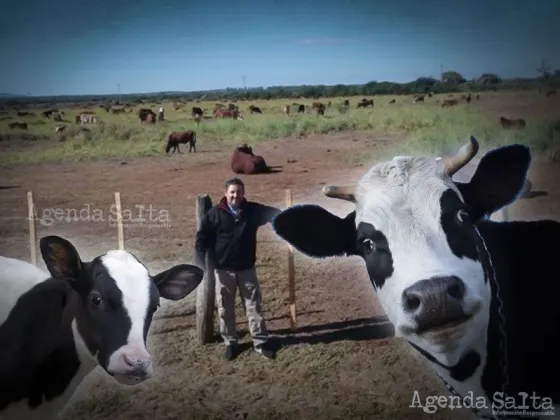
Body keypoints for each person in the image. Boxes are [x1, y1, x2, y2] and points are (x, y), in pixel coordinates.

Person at [194, 177, 281, 360]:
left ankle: (260, 342)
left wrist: (288, 219)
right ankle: (231, 343)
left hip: (247, 268)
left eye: (239, 192)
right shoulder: (215, 214)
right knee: (225, 307)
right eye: (232, 192)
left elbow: (274, 214)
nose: (236, 195)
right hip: (223, 270)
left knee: (253, 305)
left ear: (243, 193)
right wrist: (199, 263)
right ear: (226, 193)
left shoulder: (252, 211)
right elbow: (202, 239)